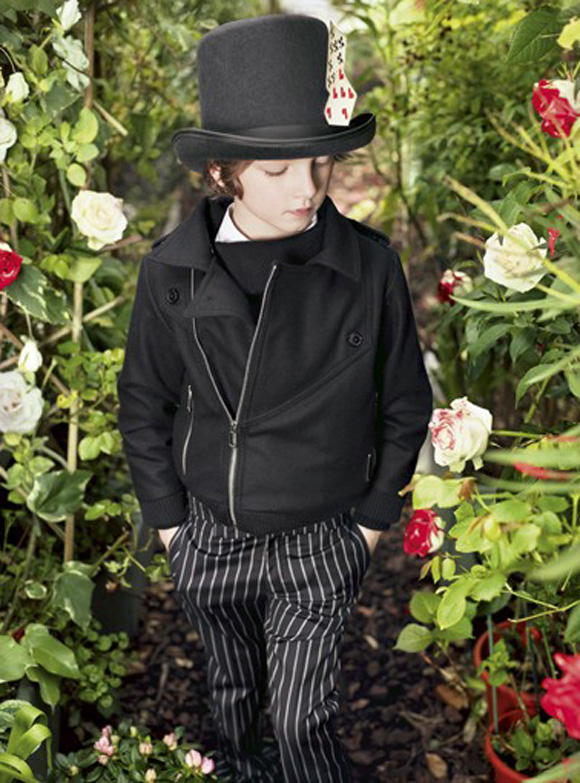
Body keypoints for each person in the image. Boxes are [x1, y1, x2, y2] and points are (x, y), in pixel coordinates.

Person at [116, 13, 433, 783]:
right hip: (209, 532)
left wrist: (369, 526)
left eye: (317, 164)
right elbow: (144, 401)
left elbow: (405, 402)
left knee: (300, 718)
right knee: (233, 700)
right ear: (223, 172)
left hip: (320, 536)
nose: (306, 189)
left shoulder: (368, 268)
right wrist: (171, 528)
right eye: (276, 169)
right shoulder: (171, 272)